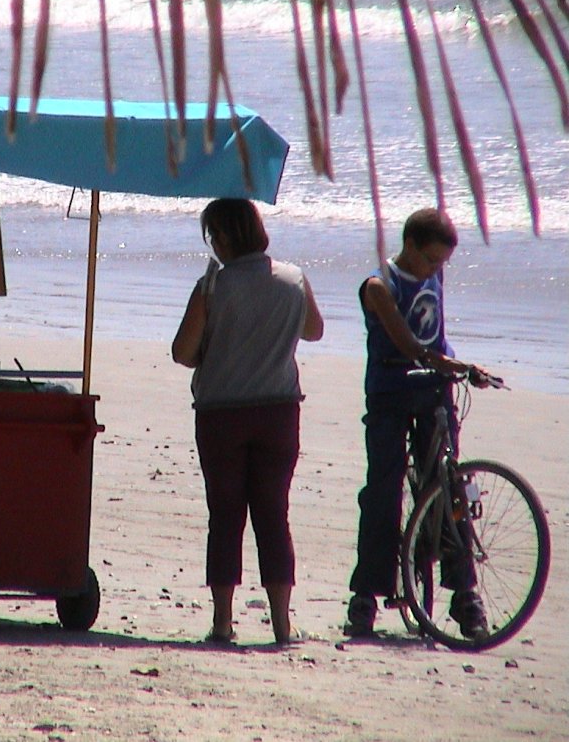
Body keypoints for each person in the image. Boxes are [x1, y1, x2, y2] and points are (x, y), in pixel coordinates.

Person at [172, 198, 324, 645]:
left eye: (212, 236)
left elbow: (183, 352)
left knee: (225, 515)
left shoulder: (212, 288)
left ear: (222, 237)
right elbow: (314, 330)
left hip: (222, 412)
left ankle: (222, 622)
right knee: (273, 513)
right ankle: (281, 622)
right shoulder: (293, 278)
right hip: (278, 409)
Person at [344, 207, 488, 639]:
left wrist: (460, 370)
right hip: (391, 391)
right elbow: (408, 343)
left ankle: (464, 596)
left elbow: (434, 337)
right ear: (409, 246)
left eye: (441, 263)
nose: (436, 269)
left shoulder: (435, 273)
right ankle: (367, 596)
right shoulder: (378, 287)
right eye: (430, 260)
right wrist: (442, 361)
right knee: (383, 492)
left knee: (450, 489)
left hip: (433, 391)